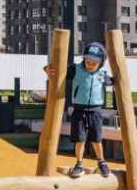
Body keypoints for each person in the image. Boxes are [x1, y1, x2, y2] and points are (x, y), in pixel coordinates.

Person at [44, 42, 114, 178]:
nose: (90, 65)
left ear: (101, 63)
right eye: (87, 62)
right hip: (79, 109)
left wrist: (117, 79)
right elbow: (58, 70)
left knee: (96, 138)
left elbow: (112, 81)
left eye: (94, 63)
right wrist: (47, 68)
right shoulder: (76, 70)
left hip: (95, 110)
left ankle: (101, 162)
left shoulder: (101, 74)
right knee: (80, 138)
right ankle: (79, 164)